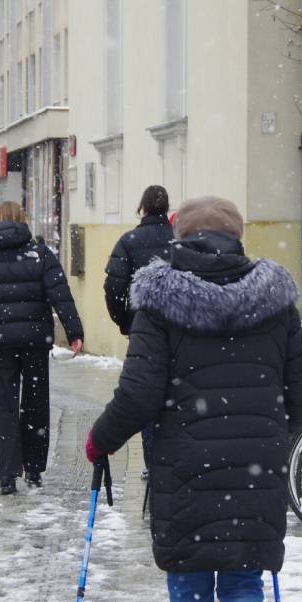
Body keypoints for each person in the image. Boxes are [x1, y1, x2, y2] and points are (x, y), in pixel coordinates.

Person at [85, 196, 302, 602]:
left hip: (184, 469)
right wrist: (274, 435)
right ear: (238, 237)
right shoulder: (275, 301)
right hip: (257, 470)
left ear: (178, 237)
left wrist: (100, 440)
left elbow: (140, 394)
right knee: (242, 578)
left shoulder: (159, 301)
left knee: (190, 587)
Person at [0, 202, 83, 494]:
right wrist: (74, 332)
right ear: (23, 221)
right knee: (36, 402)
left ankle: (6, 474)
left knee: (3, 405)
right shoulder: (40, 254)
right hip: (34, 341)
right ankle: (34, 469)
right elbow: (60, 295)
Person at [103, 184, 175, 477]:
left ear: (142, 208)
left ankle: (151, 461)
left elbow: (113, 286)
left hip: (143, 331)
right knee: (174, 391)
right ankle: (170, 455)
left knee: (146, 391)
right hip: (177, 328)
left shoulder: (129, 241)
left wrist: (125, 320)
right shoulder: (179, 241)